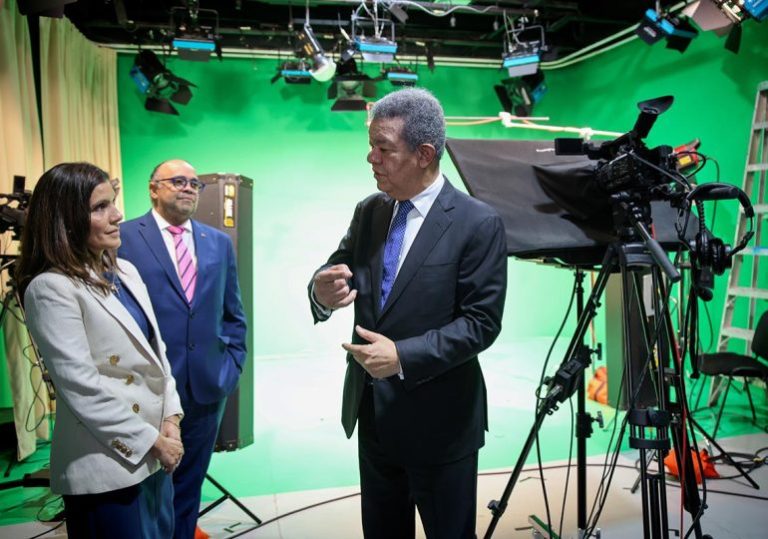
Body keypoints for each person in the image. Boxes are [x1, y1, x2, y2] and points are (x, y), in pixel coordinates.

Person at [309, 88, 508, 539]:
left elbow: (481, 322)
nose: (371, 158)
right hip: (373, 415)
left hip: (441, 423)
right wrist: (321, 290)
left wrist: (402, 355)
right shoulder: (369, 211)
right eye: (371, 146)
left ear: (424, 154)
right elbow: (336, 270)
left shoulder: (477, 223)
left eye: (383, 148)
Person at [17, 162, 184, 539]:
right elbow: (82, 388)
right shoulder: (51, 288)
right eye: (100, 207)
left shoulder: (125, 272)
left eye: (113, 202)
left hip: (155, 456)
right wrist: (153, 442)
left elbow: (157, 356)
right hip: (109, 466)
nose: (117, 215)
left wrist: (171, 420)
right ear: (65, 220)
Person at [118, 159, 247, 539]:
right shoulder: (124, 238)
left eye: (194, 183)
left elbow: (233, 312)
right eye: (177, 181)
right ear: (153, 188)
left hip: (207, 386)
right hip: (148, 390)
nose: (188, 187)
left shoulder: (218, 242)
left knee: (189, 484)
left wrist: (231, 366)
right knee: (146, 489)